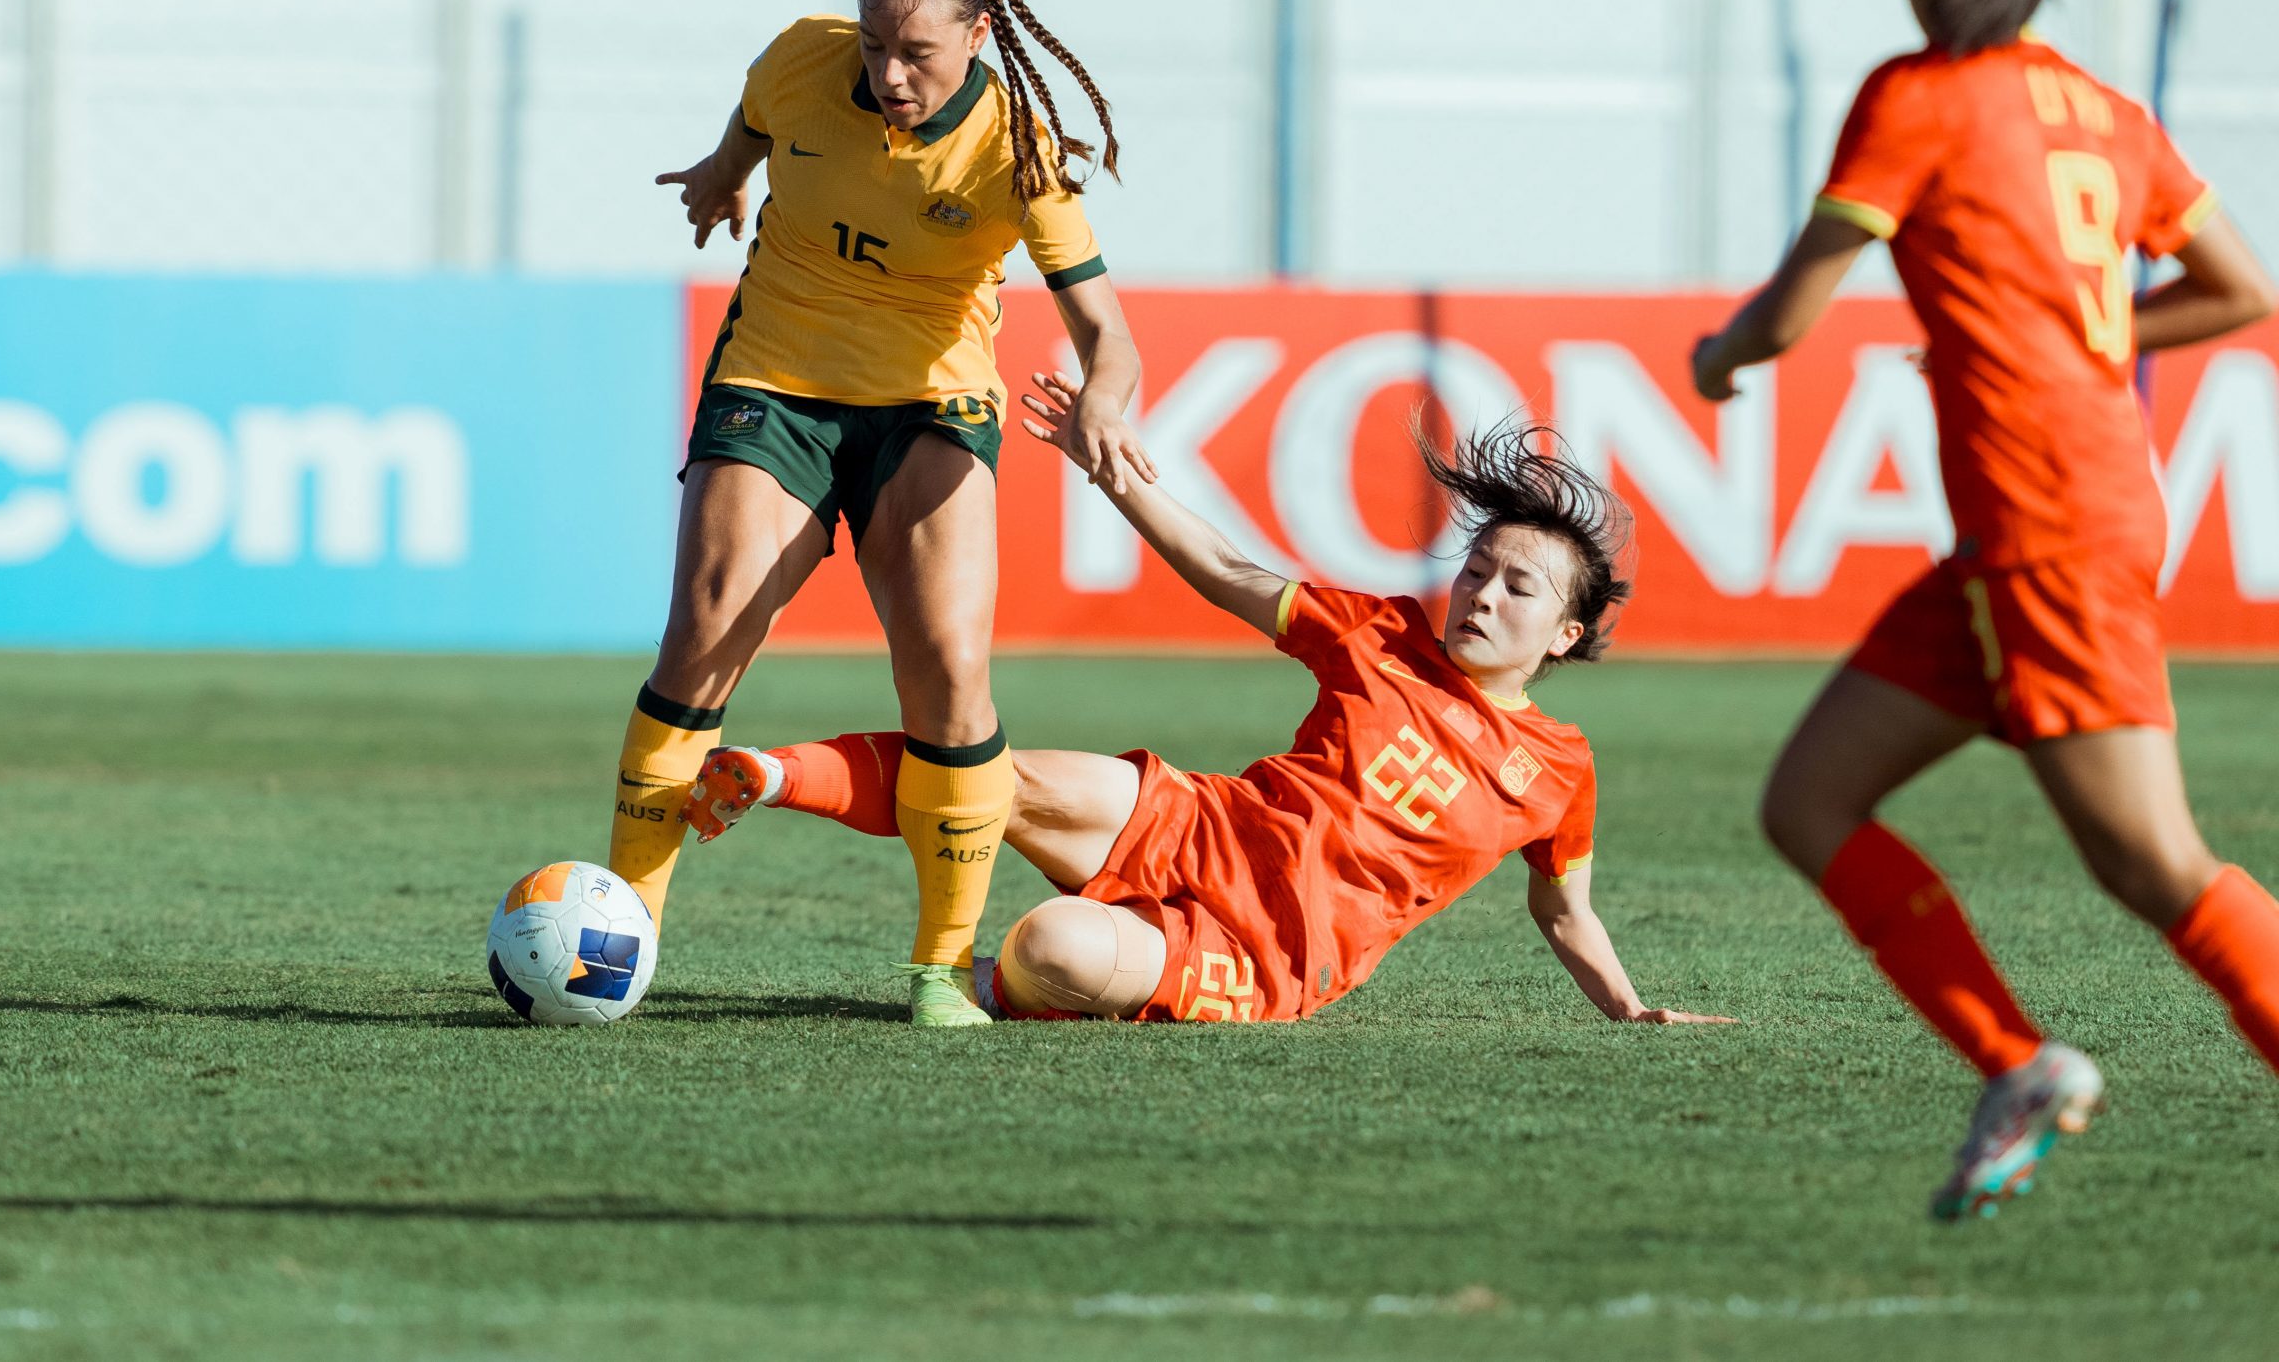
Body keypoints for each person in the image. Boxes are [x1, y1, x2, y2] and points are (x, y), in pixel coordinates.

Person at [1690, 0, 2279, 1220]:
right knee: (1809, 799)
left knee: (2154, 863)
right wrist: (2061, 322)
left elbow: (1788, 312)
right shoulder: (2097, 109)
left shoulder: (1920, 97)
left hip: (2047, 526)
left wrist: (1720, 356)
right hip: (2036, 531)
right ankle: (2014, 1062)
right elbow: (2242, 287)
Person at [679, 399, 1730, 1031]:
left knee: (1052, 943)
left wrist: (1630, 1007)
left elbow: (1564, 912)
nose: (1483, 593)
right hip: (1206, 821)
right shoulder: (1378, 636)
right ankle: (772, 774)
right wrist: (1120, 479)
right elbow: (1229, 570)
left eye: (1519, 588)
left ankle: (1016, 980)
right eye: (1478, 567)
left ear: (1562, 635)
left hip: (1271, 955)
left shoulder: (1559, 769)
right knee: (999, 772)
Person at [613, 0, 1156, 1027]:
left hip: (928, 401)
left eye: (917, 51)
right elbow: (758, 120)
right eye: (873, 44)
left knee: (949, 670)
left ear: (978, 33)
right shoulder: (800, 58)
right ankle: (625, 927)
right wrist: (723, 173)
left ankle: (938, 968)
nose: (888, 72)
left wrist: (1104, 395)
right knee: (703, 629)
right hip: (776, 376)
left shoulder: (1019, 146)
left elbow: (1108, 333)